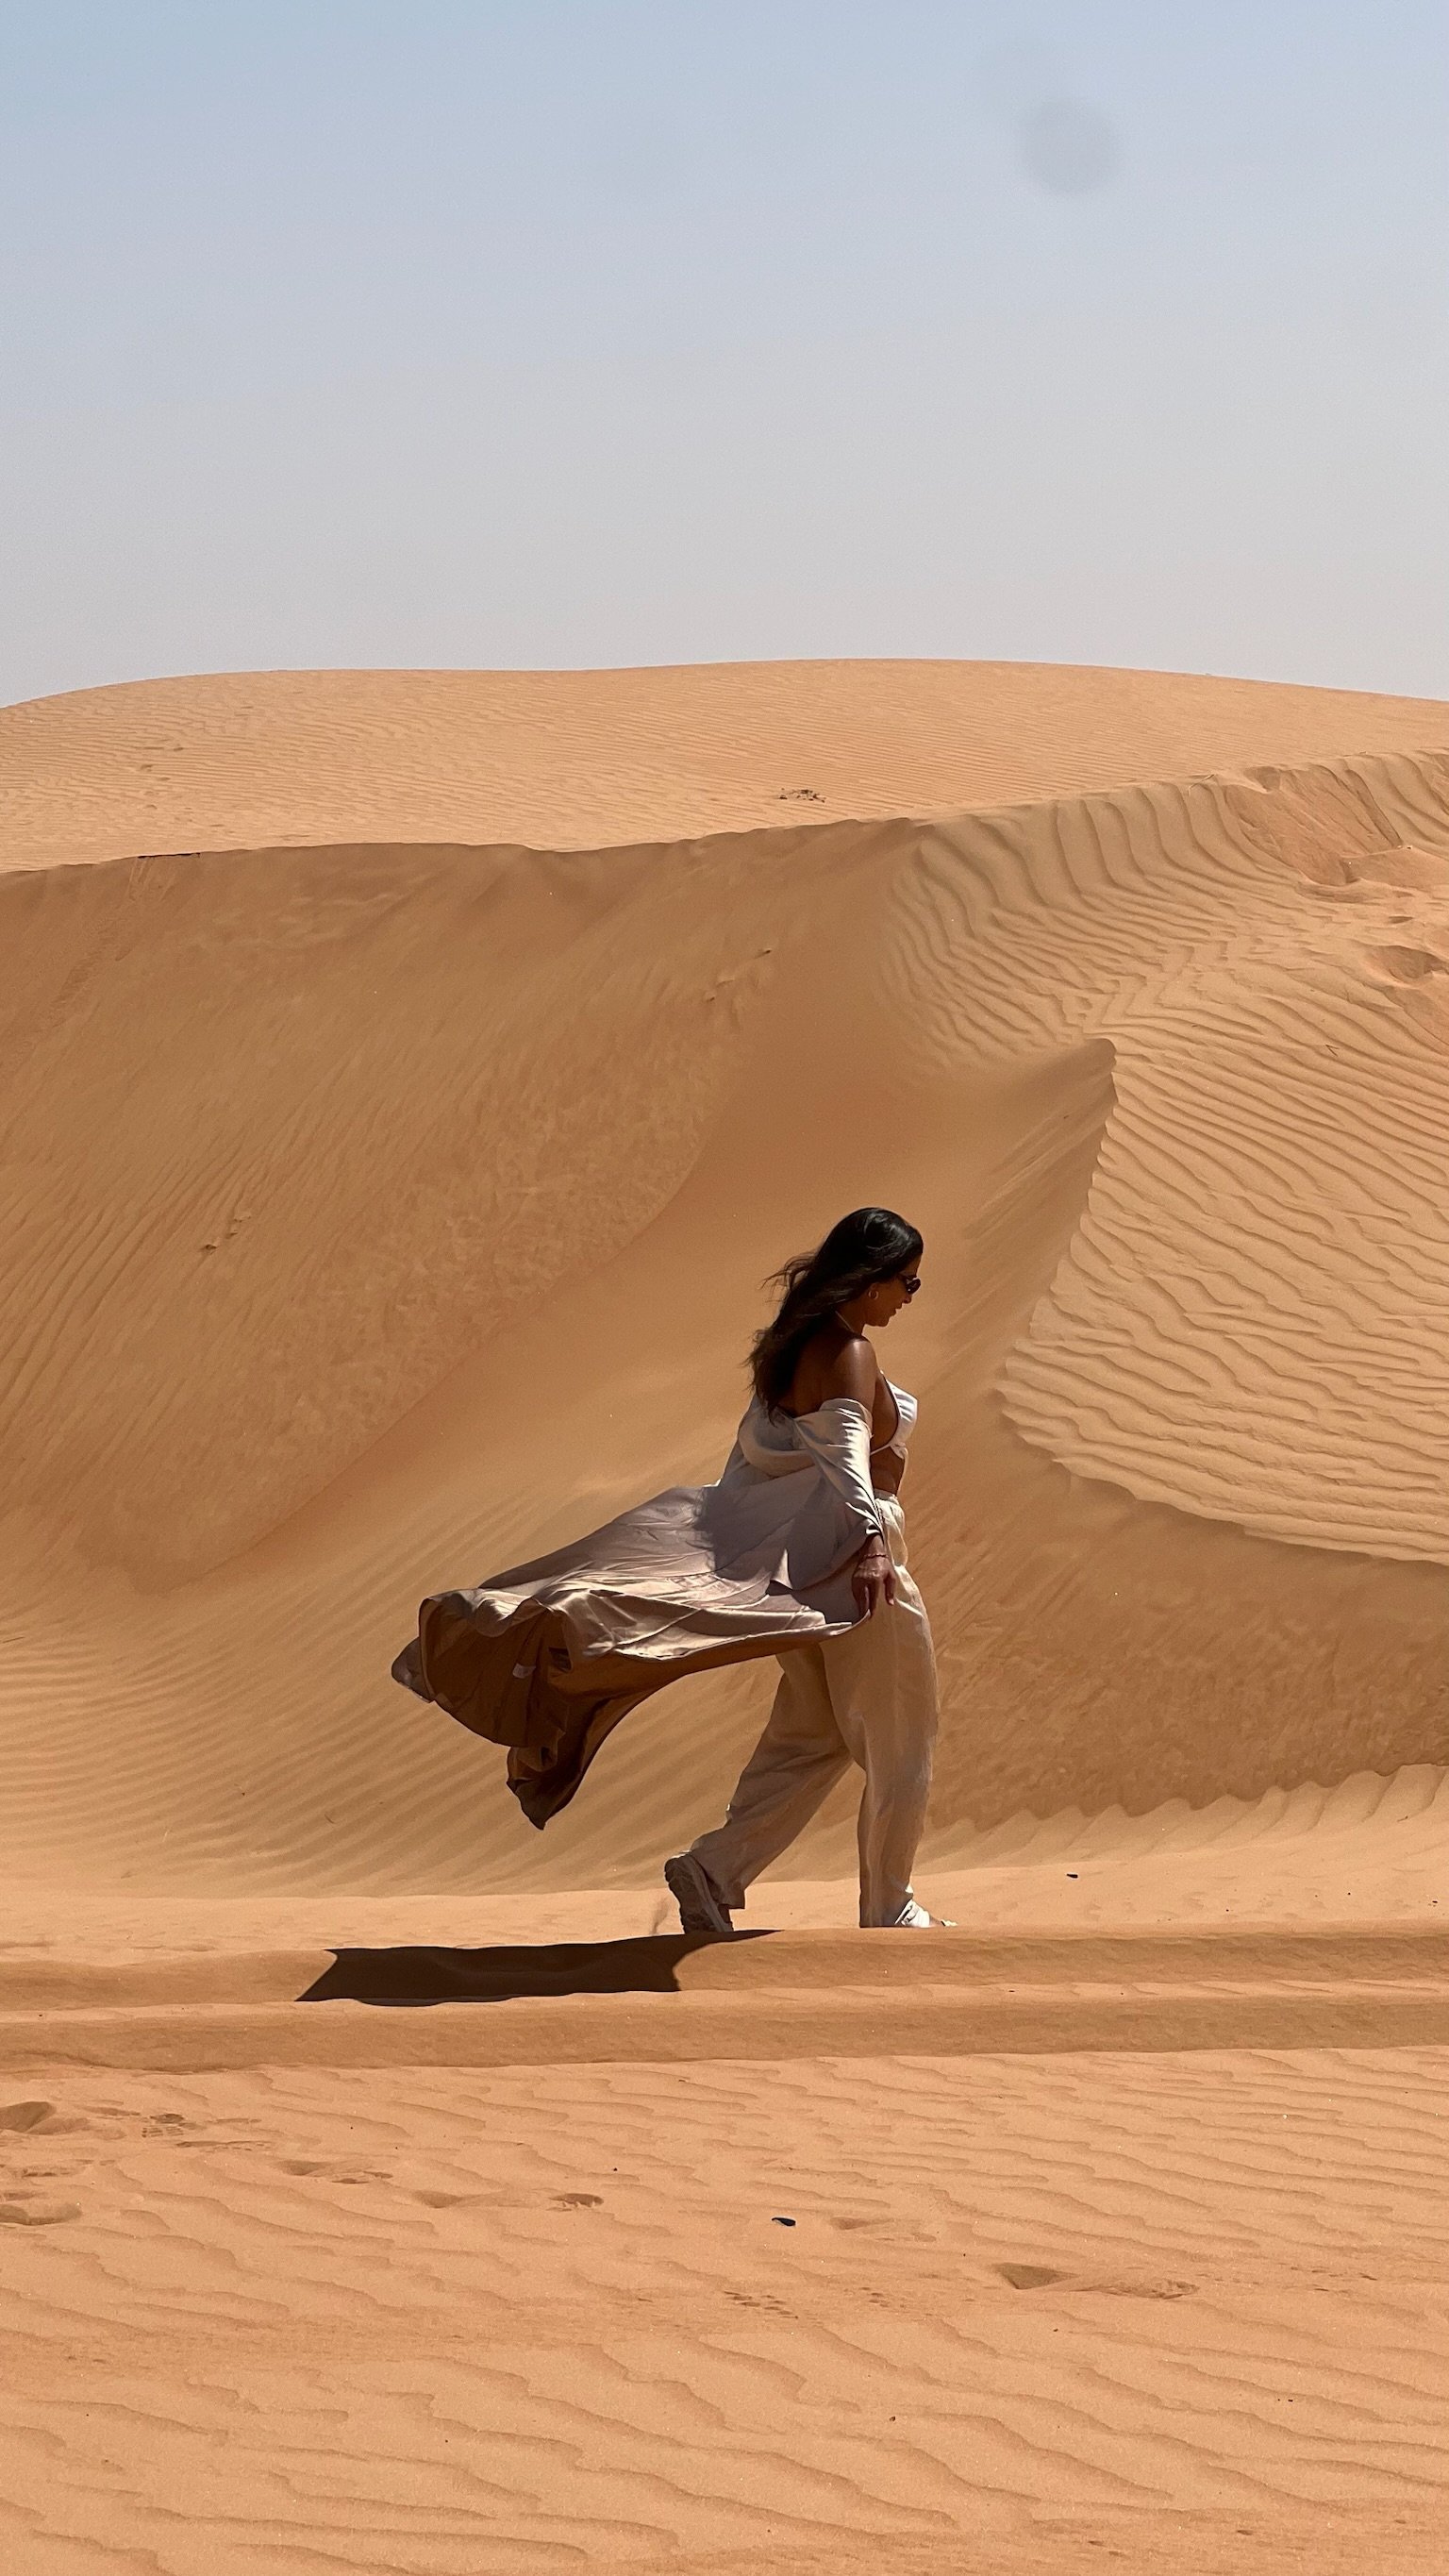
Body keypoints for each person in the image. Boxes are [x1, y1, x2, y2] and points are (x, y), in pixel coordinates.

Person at [391, 1206, 943, 1930]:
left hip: (803, 1579)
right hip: (855, 1571)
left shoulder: (786, 1351)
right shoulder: (848, 1353)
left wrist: (741, 1560)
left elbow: (749, 1465)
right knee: (904, 1738)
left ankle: (713, 1871)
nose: (909, 1296)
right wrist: (871, 1543)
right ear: (869, 1281)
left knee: (813, 1735)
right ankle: (890, 1907)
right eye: (906, 1281)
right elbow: (847, 1460)